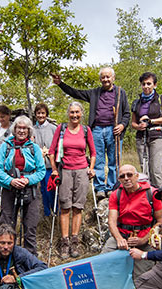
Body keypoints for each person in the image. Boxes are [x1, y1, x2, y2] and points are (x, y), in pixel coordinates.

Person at [50, 67, 129, 200]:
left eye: (108, 77)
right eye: (103, 77)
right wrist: (60, 84)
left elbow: (126, 113)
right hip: (97, 129)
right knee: (98, 160)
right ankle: (99, 188)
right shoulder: (94, 93)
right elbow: (76, 93)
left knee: (113, 161)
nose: (105, 79)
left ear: (113, 78)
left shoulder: (121, 93)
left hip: (113, 130)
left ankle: (111, 188)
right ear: (100, 79)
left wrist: (122, 125)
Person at [48, 102, 96, 259]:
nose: (74, 115)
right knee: (65, 207)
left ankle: (75, 241)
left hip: (82, 170)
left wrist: (91, 167)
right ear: (68, 113)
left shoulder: (86, 130)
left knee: (78, 207)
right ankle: (65, 242)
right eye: (72, 112)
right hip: (65, 171)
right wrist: (54, 169)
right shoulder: (61, 129)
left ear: (81, 114)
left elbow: (93, 152)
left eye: (77, 112)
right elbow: (51, 151)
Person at [0, 115, 46, 256]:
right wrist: (10, 181)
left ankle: (29, 259)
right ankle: (3, 255)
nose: (21, 131)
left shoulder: (34, 148)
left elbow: (41, 171)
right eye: (19, 128)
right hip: (9, 188)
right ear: (14, 129)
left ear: (29, 130)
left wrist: (27, 180)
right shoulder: (5, 146)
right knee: (5, 224)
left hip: (30, 190)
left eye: (25, 128)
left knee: (30, 226)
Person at [102, 165, 162, 279]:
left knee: (142, 277)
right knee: (103, 265)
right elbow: (111, 221)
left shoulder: (152, 193)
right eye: (122, 176)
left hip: (145, 237)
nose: (126, 178)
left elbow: (160, 222)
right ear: (119, 180)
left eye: (129, 175)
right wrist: (119, 239)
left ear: (137, 176)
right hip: (121, 236)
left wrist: (143, 240)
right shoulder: (116, 194)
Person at [130, 72, 162, 187]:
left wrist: (151, 121)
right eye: (144, 84)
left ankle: (160, 198)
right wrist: (138, 126)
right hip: (141, 137)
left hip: (157, 136)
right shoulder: (136, 102)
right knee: (144, 169)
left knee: (156, 169)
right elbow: (133, 123)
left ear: (155, 85)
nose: (146, 86)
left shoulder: (161, 99)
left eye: (149, 83)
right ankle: (146, 197)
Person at [32, 103, 58, 217]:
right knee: (42, 190)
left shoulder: (53, 128)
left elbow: (58, 144)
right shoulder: (32, 129)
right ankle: (47, 214)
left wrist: (50, 151)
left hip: (50, 165)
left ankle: (56, 211)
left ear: (46, 114)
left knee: (51, 189)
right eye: (38, 113)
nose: (41, 115)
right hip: (39, 165)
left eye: (43, 113)